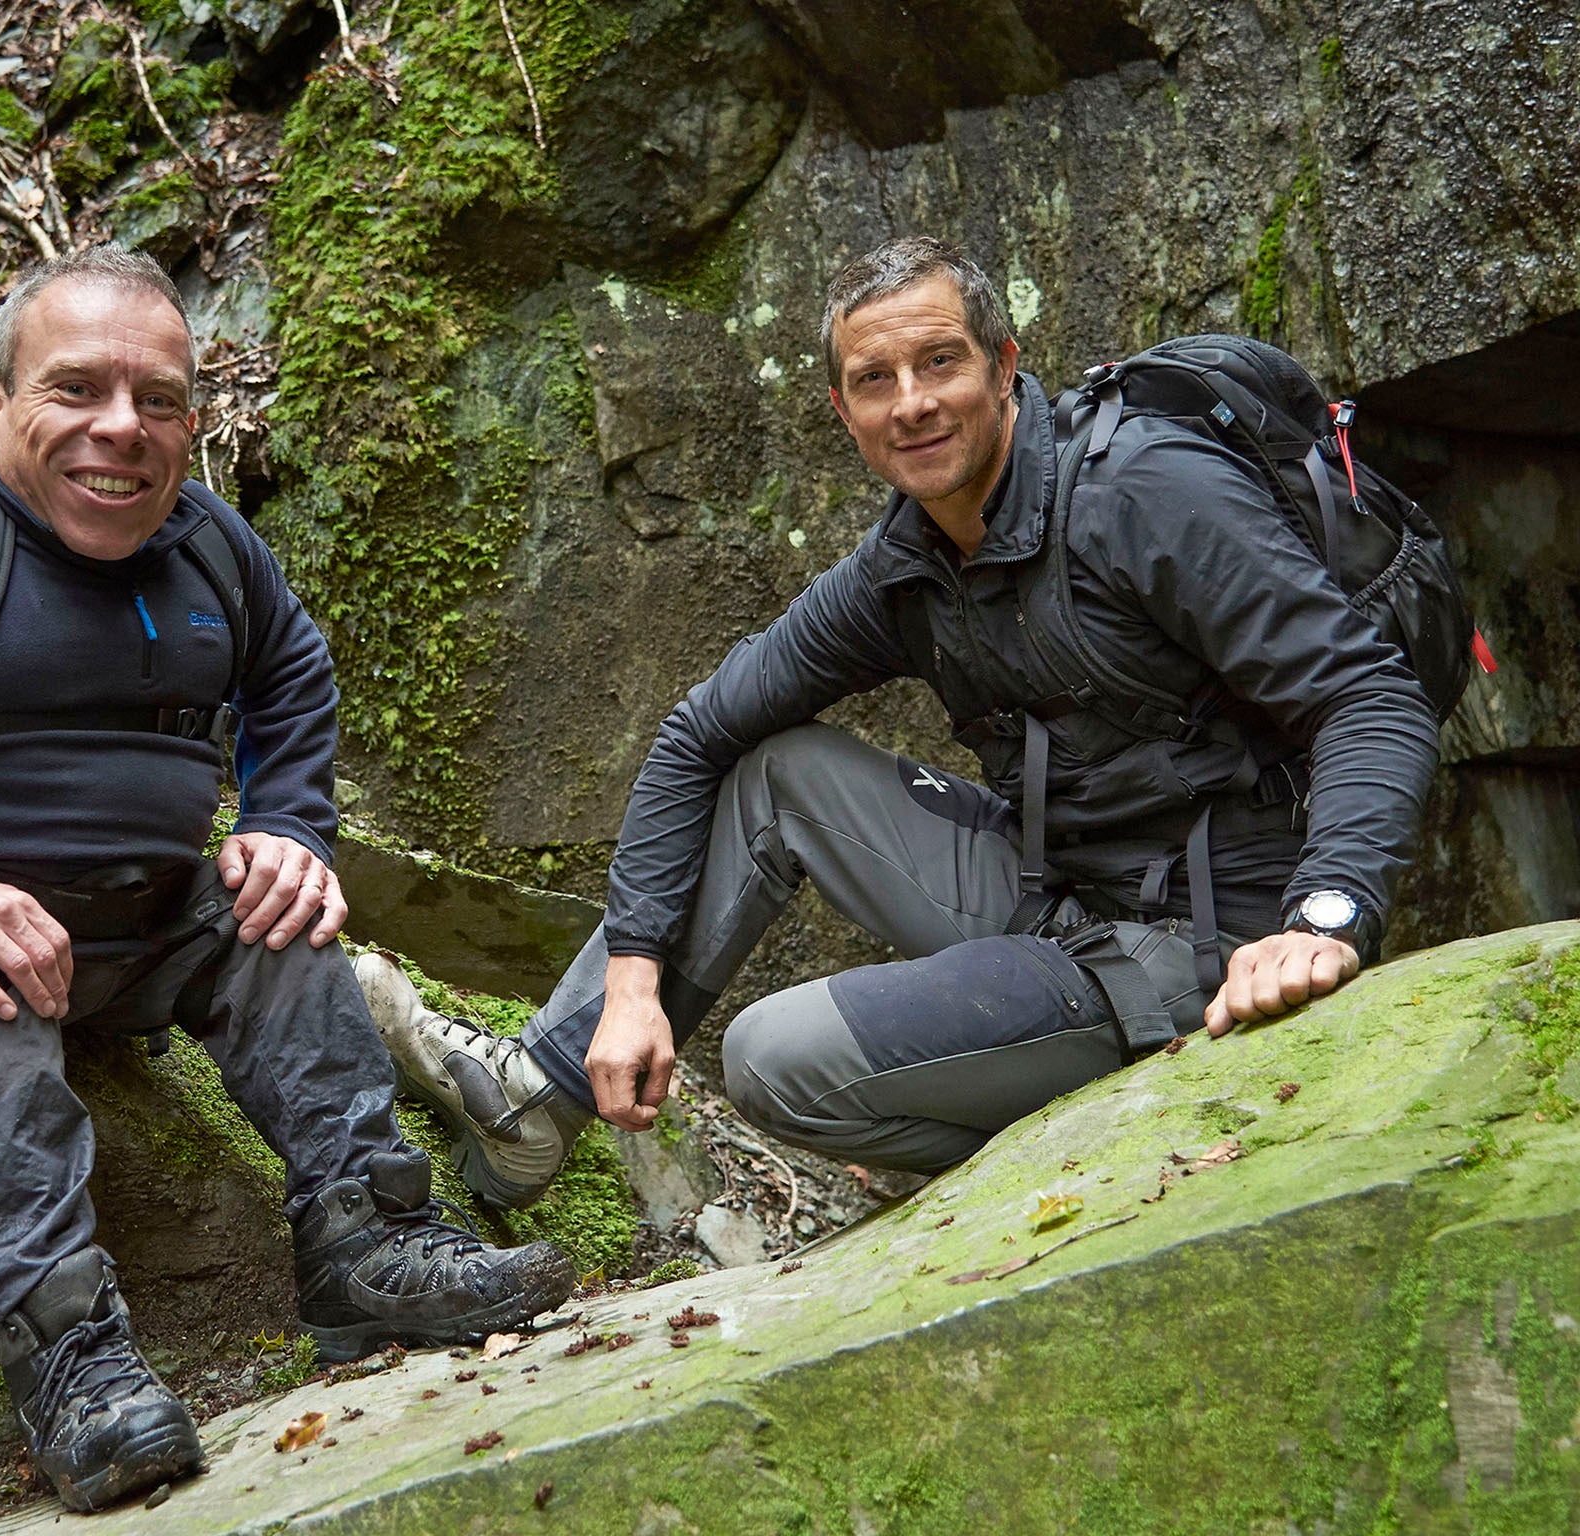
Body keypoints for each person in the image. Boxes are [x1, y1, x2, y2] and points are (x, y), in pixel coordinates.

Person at [0, 246, 572, 1514]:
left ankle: (368, 1247)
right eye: (77, 390)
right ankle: (69, 1361)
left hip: (145, 911)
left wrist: (289, 824)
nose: (121, 428)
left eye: (159, 399)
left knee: (283, 935)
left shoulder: (211, 547)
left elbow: (291, 676)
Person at [359, 234, 1439, 1209]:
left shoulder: (1143, 492)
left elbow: (1365, 693)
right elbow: (696, 735)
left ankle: (1076, 1134)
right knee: (773, 771)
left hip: (1215, 937)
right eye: (873, 380)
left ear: (1003, 367)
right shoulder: (903, 567)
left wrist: (1323, 921)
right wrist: (631, 982)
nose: (910, 402)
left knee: (773, 1056)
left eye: (938, 363)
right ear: (842, 412)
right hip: (1056, 896)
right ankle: (537, 1097)